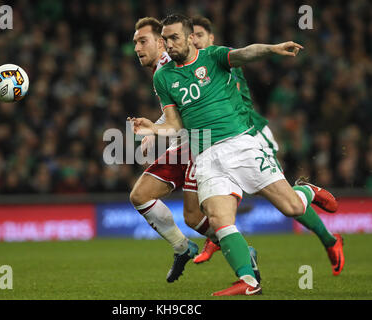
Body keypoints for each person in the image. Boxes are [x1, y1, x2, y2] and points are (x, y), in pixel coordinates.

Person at [130, 14, 344, 296]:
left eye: (173, 38)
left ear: (190, 38)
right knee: (217, 219)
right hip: (204, 153)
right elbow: (175, 122)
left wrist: (272, 48)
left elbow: (246, 53)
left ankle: (306, 192)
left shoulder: (215, 58)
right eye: (165, 40)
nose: (168, 44)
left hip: (242, 142)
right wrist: (153, 129)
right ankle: (249, 281)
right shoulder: (163, 77)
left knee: (291, 207)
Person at [190, 15, 344, 275]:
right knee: (221, 194)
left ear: (212, 38)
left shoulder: (220, 61)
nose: (195, 41)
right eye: (191, 36)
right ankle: (223, 239)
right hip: (221, 142)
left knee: (288, 205)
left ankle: (328, 237)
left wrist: (271, 49)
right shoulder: (189, 70)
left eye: (200, 35)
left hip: (252, 134)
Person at [130, 17, 261, 283]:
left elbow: (193, 105)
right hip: (184, 143)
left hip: (202, 145)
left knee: (193, 216)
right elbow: (178, 111)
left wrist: (156, 129)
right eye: (135, 43)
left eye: (143, 41)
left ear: (160, 42)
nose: (137, 48)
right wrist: (155, 128)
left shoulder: (172, 65)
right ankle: (182, 247)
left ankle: (242, 256)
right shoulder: (162, 73)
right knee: (140, 195)